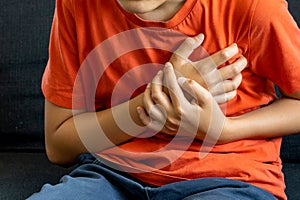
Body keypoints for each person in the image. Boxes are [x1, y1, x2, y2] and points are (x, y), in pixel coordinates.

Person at [27, 0, 300, 199]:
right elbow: (59, 145)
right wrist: (150, 106)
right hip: (112, 176)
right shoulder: (77, 5)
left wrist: (225, 130)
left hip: (229, 180)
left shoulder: (253, 6)